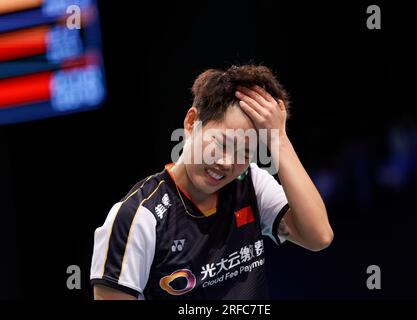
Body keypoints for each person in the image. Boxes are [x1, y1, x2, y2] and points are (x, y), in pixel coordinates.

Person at [90, 65, 334, 300]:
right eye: (221, 144)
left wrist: (279, 139)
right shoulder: (137, 218)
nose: (228, 163)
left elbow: (318, 237)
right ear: (191, 122)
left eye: (245, 152)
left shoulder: (251, 184)